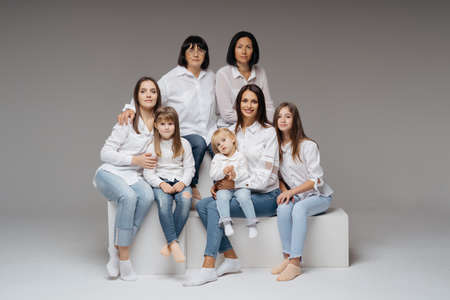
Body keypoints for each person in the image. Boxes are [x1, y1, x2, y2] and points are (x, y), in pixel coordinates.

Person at [183, 84, 280, 286]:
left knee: (213, 207)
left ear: (260, 105)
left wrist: (231, 184)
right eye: (245, 100)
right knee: (202, 205)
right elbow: (226, 161)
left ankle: (208, 267)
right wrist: (219, 184)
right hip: (237, 191)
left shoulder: (268, 132)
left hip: (265, 196)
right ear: (238, 104)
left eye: (254, 101)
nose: (249, 105)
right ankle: (231, 258)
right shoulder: (232, 131)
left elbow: (267, 176)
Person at [118, 36, 217, 201]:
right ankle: (190, 185)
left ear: (206, 54)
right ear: (183, 53)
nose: (196, 54)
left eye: (201, 50)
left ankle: (227, 196)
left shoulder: (211, 77)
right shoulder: (171, 79)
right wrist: (130, 108)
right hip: (184, 133)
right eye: (191, 50)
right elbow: (150, 95)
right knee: (198, 142)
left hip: (209, 131)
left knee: (227, 149)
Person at [93, 76, 161, 280]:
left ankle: (117, 244)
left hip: (134, 176)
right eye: (143, 91)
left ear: (158, 96)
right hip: (109, 172)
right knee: (129, 198)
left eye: (153, 91)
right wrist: (134, 160)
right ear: (136, 96)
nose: (148, 95)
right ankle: (121, 258)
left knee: (148, 196)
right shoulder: (128, 120)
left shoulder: (159, 123)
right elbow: (105, 153)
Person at [272, 102, 334, 281]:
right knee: (283, 209)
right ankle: (287, 257)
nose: (283, 119)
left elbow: (317, 179)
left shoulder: (308, 145)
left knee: (298, 210)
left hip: (319, 196)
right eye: (279, 116)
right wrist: (285, 193)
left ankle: (295, 263)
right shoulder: (276, 147)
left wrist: (291, 193)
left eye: (288, 116)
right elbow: (279, 178)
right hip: (297, 195)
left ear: (295, 120)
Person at [143, 106, 195, 263]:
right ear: (156, 126)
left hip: (180, 181)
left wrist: (183, 182)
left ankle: (169, 244)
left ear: (176, 126)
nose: (166, 127)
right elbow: (148, 173)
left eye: (170, 124)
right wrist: (160, 184)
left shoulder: (184, 144)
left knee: (185, 200)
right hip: (161, 183)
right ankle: (174, 243)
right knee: (164, 204)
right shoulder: (152, 146)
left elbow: (190, 168)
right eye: (163, 124)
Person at [215, 31, 275, 128]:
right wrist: (257, 115)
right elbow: (227, 115)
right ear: (233, 50)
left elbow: (268, 107)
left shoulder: (260, 72)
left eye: (248, 47)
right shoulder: (223, 74)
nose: (244, 51)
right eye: (239, 47)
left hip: (257, 126)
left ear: (253, 51)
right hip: (230, 127)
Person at [209, 128, 257, 238]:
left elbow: (245, 173)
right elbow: (213, 174)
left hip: (239, 186)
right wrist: (222, 172)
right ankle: (226, 222)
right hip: (225, 188)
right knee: (221, 197)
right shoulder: (217, 158)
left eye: (223, 140)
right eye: (218, 144)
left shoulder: (240, 156)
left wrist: (235, 175)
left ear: (233, 139)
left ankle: (252, 223)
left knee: (244, 197)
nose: (221, 145)